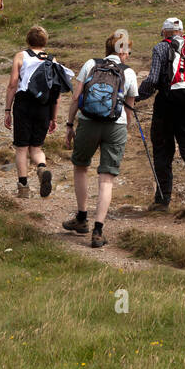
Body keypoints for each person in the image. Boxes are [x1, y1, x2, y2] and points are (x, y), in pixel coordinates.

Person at [63, 31, 139, 248]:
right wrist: (126, 130)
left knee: (80, 167)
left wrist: (69, 125)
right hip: (116, 126)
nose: (129, 55)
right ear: (122, 53)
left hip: (88, 122)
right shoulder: (130, 73)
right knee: (106, 178)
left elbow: (76, 97)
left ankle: (81, 217)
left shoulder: (90, 64)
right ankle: (98, 230)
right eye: (128, 51)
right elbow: (129, 109)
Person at [136, 17, 185, 211]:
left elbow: (153, 78)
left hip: (167, 102)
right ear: (182, 32)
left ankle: (162, 201)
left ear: (164, 33)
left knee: (163, 150)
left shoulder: (161, 48)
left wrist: (137, 96)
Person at [4, 26, 68, 199]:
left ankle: (23, 187)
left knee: (22, 148)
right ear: (45, 41)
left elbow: (12, 85)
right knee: (37, 147)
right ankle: (41, 168)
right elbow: (56, 93)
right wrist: (53, 117)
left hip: (24, 104)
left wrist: (7, 110)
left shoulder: (20, 56)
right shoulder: (52, 61)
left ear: (28, 40)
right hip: (44, 106)